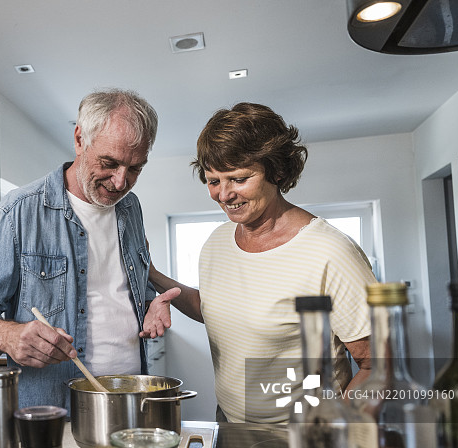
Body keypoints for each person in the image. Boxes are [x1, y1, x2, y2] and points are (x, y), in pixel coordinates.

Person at [144, 102, 376, 424]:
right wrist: (153, 275)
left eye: (239, 179)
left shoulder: (330, 251)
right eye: (213, 181)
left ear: (277, 171)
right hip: (229, 421)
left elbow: (377, 365)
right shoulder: (216, 243)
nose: (223, 195)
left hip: (305, 434)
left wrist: (336, 430)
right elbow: (211, 307)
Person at [0, 88, 174, 411]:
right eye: (109, 163)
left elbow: (122, 292)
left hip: (131, 405)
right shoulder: (19, 212)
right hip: (58, 415)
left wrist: (150, 305)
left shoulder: (131, 209)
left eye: (135, 169)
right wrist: (9, 337)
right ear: (80, 139)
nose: (120, 183)